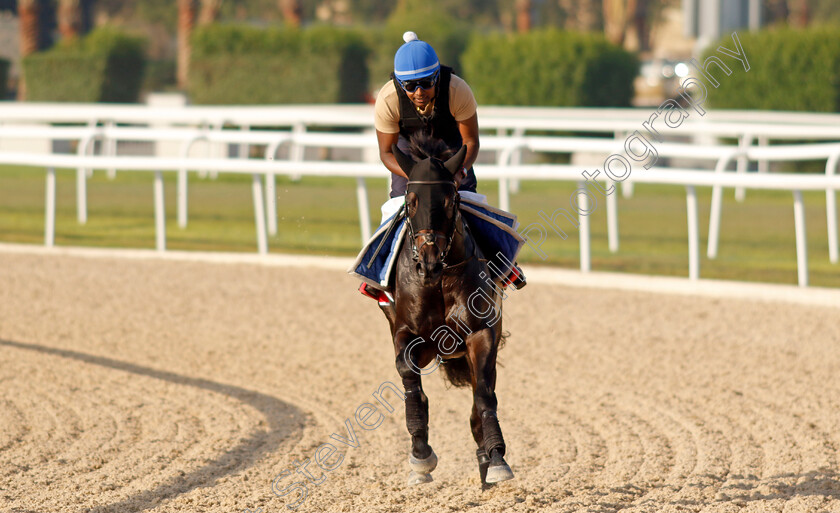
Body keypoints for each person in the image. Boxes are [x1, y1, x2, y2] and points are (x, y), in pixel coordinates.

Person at [357, 32, 525, 302]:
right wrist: (417, 178)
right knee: (396, 207)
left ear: (437, 77)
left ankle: (502, 265)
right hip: (407, 149)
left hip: (450, 145)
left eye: (425, 83)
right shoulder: (388, 99)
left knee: (469, 201)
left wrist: (458, 173)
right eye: (410, 86)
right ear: (399, 84)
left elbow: (471, 141)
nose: (418, 92)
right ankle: (379, 276)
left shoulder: (458, 90)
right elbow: (386, 152)